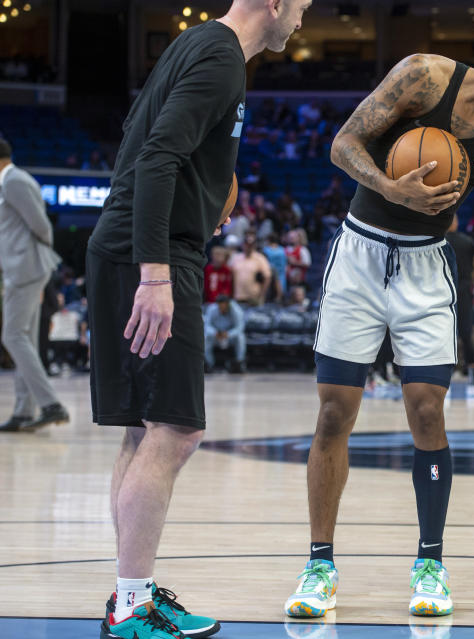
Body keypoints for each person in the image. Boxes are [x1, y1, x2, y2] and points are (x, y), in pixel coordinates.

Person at [287, 33, 474, 619]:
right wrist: (387, 185)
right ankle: (319, 563)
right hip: (360, 255)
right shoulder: (423, 74)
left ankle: (431, 563)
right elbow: (343, 144)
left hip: (427, 268)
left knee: (427, 409)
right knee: (333, 412)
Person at [84, 2, 311, 637]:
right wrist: (155, 273)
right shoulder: (221, 59)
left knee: (144, 430)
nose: (305, 16)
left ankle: (132, 593)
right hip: (152, 256)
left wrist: (205, 193)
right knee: (177, 431)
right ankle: (132, 609)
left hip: (125, 243)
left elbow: (140, 130)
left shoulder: (197, 43)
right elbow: (157, 156)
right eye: (303, 4)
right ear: (275, 3)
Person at [0, 138, 69, 432]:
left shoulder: (14, 180)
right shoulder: (9, 182)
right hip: (22, 269)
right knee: (23, 337)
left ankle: (51, 404)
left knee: (12, 336)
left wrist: (39, 267)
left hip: (26, 268)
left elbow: (42, 226)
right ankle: (24, 411)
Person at [445, 211, 474, 383]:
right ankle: (472, 368)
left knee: (445, 330)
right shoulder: (468, 241)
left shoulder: (440, 240)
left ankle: (446, 369)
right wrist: (473, 275)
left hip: (444, 287)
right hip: (464, 287)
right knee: (466, 331)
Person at [203, 294, 246, 373]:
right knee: (206, 337)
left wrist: (228, 334)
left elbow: (240, 328)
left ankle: (239, 363)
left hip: (230, 337)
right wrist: (215, 332)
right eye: (220, 305)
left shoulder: (236, 310)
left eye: (224, 305)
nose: (222, 308)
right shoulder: (212, 309)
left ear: (228, 304)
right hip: (216, 336)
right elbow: (206, 326)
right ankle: (209, 364)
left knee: (240, 337)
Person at [229, 231, 272, 306]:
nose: (248, 246)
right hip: (238, 296)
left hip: (253, 297)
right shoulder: (235, 258)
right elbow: (229, 276)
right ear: (243, 245)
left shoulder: (260, 258)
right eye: (246, 244)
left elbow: (267, 277)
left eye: (251, 245)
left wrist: (261, 295)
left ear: (254, 246)